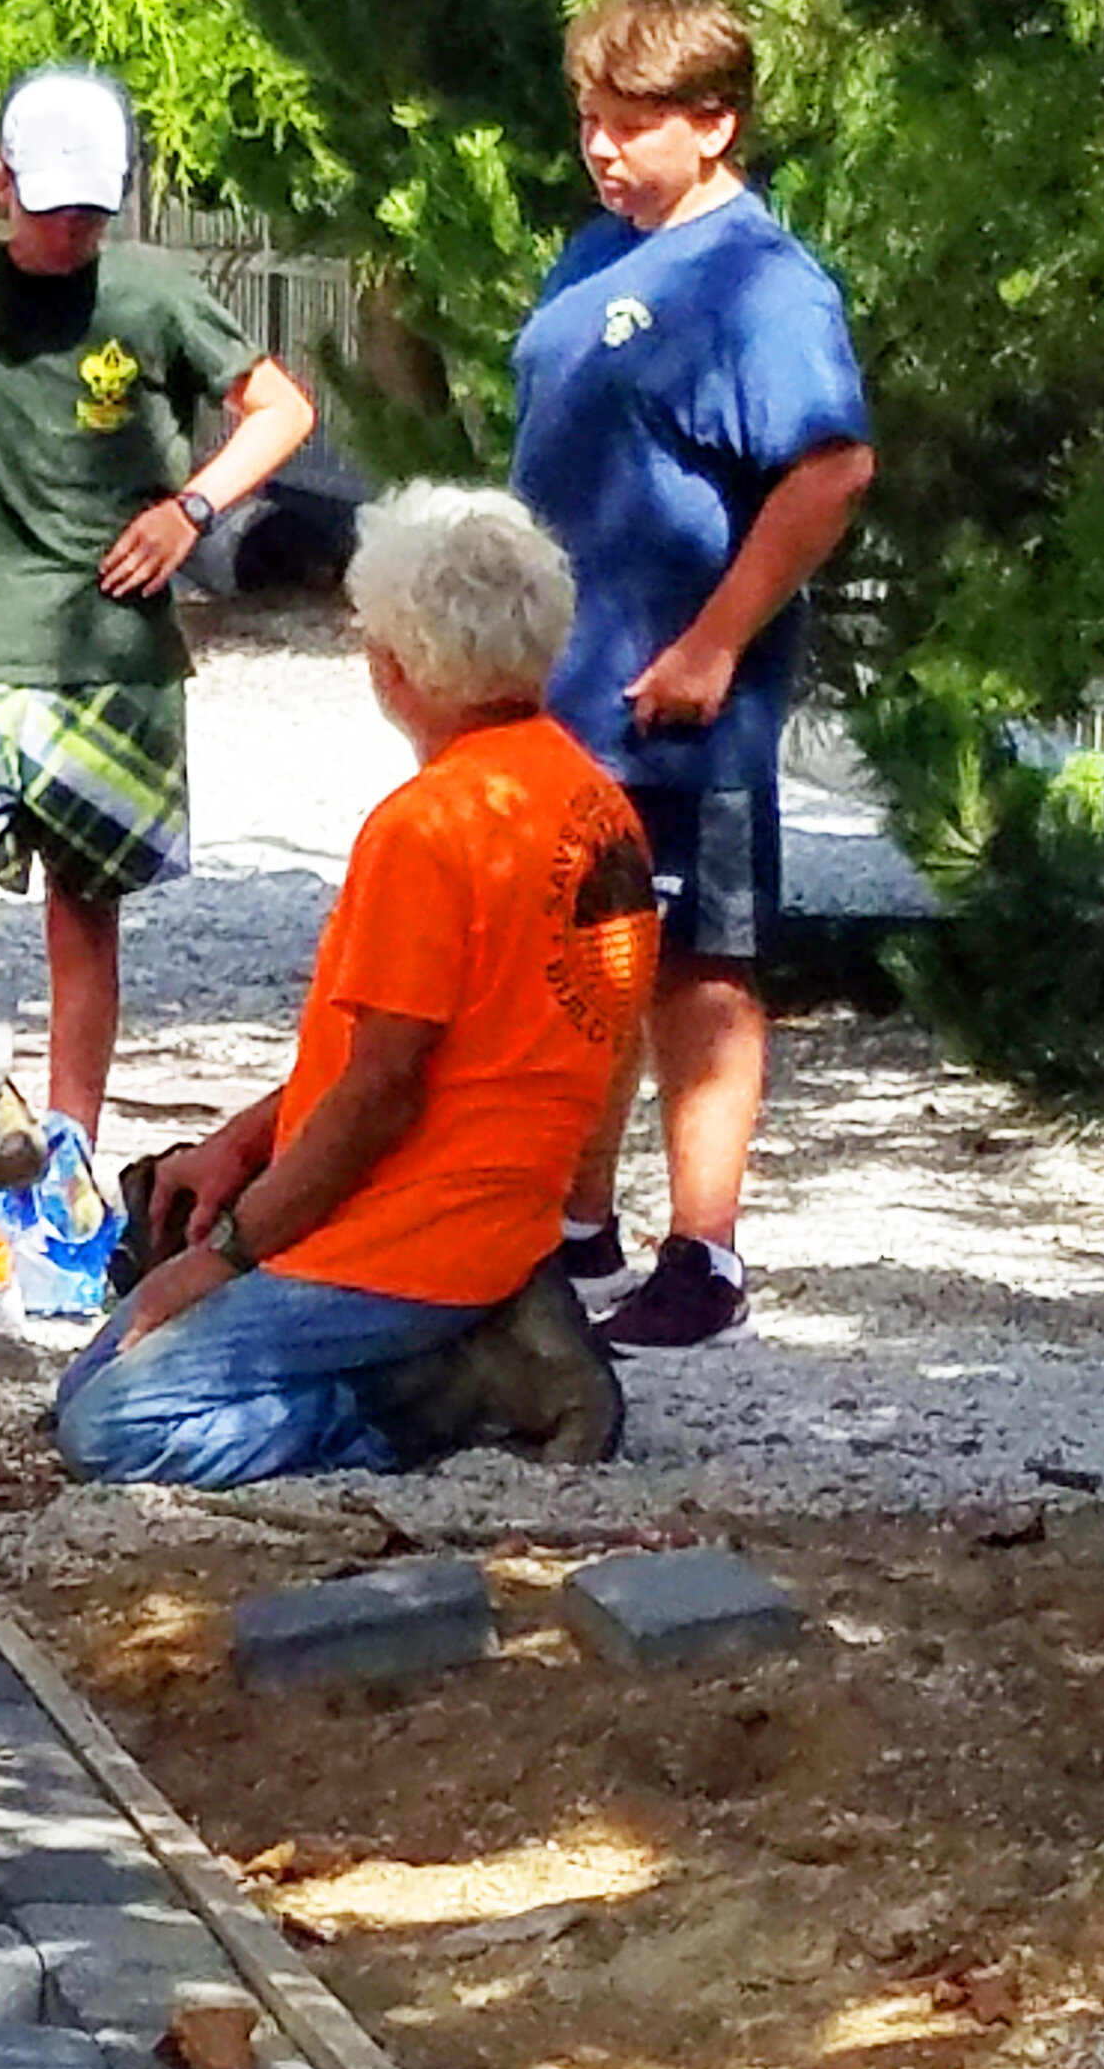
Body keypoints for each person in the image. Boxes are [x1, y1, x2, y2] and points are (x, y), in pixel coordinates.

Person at [54, 484, 658, 1489]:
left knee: (111, 1427)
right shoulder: (595, 803)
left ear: (394, 663)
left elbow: (380, 1090)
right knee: (89, 1385)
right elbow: (468, 1049)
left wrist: (226, 1256)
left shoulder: (425, 827)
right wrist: (236, 1146)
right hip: (499, 1225)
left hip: (407, 1246)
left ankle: (444, 1393)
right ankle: (485, 1334)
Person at [0, 64, 315, 1242]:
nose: (69, 231)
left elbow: (281, 408)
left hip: (111, 651)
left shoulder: (152, 293)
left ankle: (65, 1152)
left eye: (91, 211)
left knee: (83, 911)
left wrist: (189, 512)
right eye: (48, 207)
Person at [512, 0, 874, 1347]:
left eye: (630, 124)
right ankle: (573, 1224)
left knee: (697, 968)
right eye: (590, 121)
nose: (601, 149)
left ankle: (704, 1255)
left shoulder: (761, 284)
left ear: (714, 122)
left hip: (680, 701)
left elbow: (832, 464)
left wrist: (716, 643)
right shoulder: (597, 254)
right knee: (582, 961)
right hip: (567, 693)